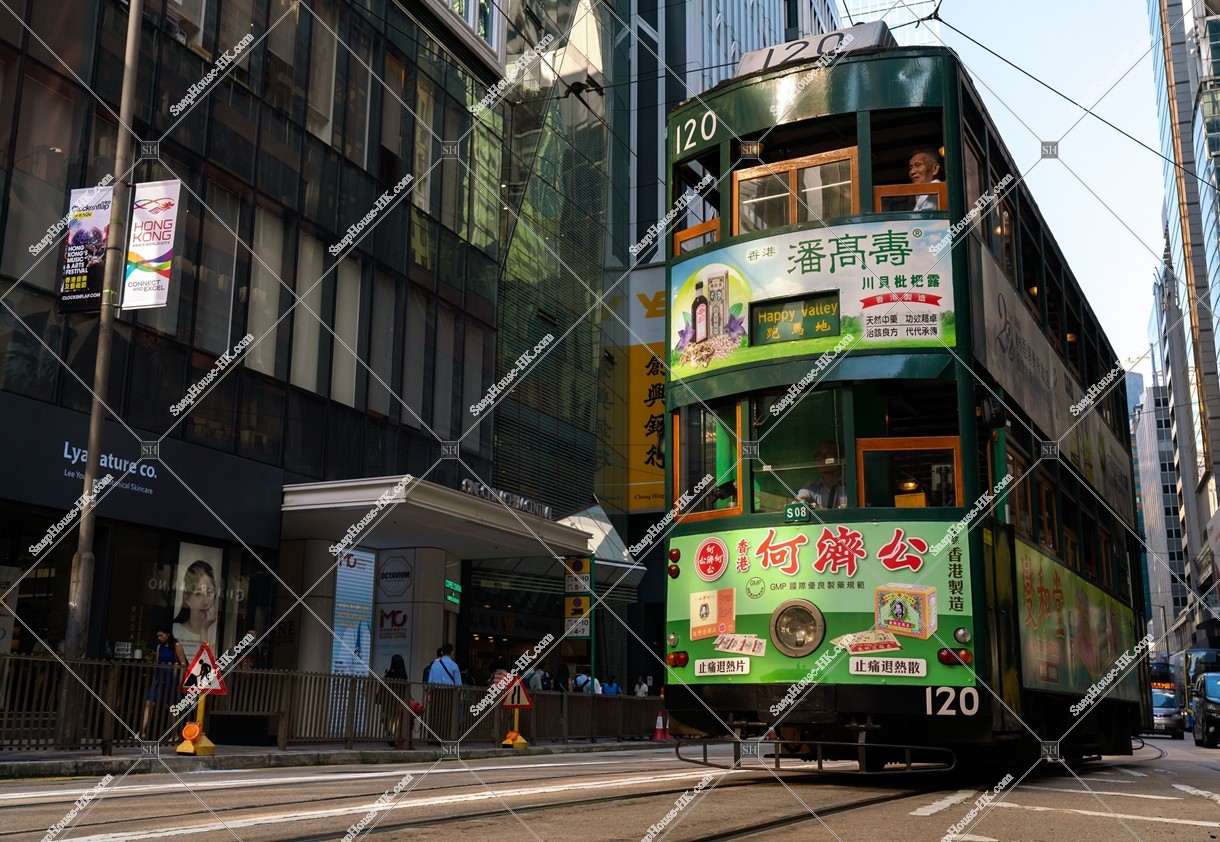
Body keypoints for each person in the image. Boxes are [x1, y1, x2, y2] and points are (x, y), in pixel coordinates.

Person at [139, 626, 186, 740]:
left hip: (172, 676)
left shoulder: (176, 646)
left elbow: (183, 663)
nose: (159, 638)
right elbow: (157, 661)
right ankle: (141, 732)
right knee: (149, 702)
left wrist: (180, 681)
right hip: (160, 676)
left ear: (168, 634)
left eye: (162, 635)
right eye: (158, 636)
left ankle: (175, 733)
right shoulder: (159, 647)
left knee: (172, 707)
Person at [173, 560, 217, 663]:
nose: (205, 601)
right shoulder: (176, 631)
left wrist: (204, 630)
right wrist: (204, 630)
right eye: (198, 594)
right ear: (187, 599)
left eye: (209, 593)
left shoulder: (214, 632)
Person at [798, 441, 847, 510]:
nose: (823, 458)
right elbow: (801, 498)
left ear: (839, 457)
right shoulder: (813, 486)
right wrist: (803, 501)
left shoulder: (850, 485)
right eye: (819, 455)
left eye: (828, 453)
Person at [382, 654, 411, 748]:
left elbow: (383, 686)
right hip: (399, 701)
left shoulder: (388, 674)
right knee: (397, 720)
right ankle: (393, 736)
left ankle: (390, 735)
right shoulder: (403, 675)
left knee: (389, 719)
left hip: (388, 700)